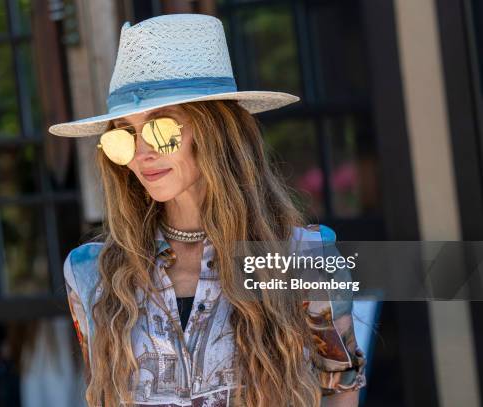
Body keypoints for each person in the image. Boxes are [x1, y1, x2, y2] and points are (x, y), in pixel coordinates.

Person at [50, 13, 366, 407]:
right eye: (123, 136)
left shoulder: (304, 260)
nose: (142, 153)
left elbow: (340, 388)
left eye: (160, 129)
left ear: (216, 130)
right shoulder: (91, 273)